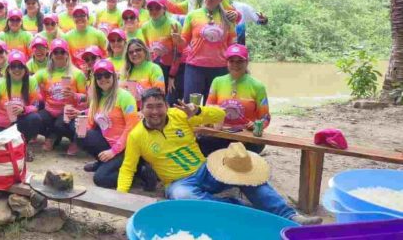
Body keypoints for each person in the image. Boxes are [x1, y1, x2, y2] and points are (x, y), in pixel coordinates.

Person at [117, 89, 321, 225]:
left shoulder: (179, 115)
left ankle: (290, 216)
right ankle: (247, 212)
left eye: (159, 106)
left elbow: (219, 115)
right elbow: (128, 168)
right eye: (149, 107)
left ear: (166, 106)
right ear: (141, 109)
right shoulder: (136, 136)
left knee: (244, 168)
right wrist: (120, 197)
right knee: (184, 198)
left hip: (206, 170)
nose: (155, 111)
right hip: (178, 182)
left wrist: (197, 110)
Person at [79, 59, 145, 189]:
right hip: (109, 142)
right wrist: (79, 124)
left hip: (127, 147)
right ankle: (103, 162)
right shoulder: (97, 98)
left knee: (100, 179)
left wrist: (113, 151)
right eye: (99, 76)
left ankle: (138, 173)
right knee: (81, 135)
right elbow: (91, 125)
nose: (103, 79)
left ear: (114, 76)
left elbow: (132, 128)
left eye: (106, 75)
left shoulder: (125, 97)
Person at [199, 44, 270, 155]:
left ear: (246, 62)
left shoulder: (258, 86)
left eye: (239, 61)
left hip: (246, 138)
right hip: (221, 134)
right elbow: (208, 110)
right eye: (232, 61)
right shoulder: (217, 81)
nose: (235, 65)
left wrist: (257, 125)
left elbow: (265, 117)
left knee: (244, 151)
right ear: (227, 63)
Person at [181, 0, 238, 104]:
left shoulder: (228, 18)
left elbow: (232, 45)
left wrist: (234, 67)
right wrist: (178, 41)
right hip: (195, 66)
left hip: (220, 68)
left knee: (214, 107)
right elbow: (184, 42)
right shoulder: (192, 15)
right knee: (191, 105)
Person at [0, 50, 43, 161]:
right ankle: (13, 146)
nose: (17, 69)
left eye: (20, 66)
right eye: (13, 66)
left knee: (35, 118)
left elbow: (36, 105)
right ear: (8, 69)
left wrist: (24, 109)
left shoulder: (31, 81)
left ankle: (23, 145)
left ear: (25, 68)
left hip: (18, 124)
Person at [34, 39, 87, 155]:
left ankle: (76, 140)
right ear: (51, 55)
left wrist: (75, 96)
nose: (59, 55)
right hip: (50, 110)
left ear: (67, 54)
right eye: (55, 52)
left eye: (61, 52)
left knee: (61, 123)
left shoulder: (77, 73)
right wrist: (39, 93)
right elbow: (29, 82)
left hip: (69, 110)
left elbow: (86, 99)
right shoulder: (44, 73)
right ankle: (52, 136)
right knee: (35, 119)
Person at [141, 0, 186, 104]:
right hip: (159, 67)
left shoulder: (174, 25)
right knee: (158, 99)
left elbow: (178, 52)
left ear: (164, 9)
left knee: (172, 102)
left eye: (157, 8)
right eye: (150, 8)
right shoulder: (145, 27)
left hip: (177, 67)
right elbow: (149, 51)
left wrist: (172, 75)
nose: (154, 11)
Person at [121, 39, 166, 106]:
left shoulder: (154, 68)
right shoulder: (125, 71)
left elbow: (160, 93)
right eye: (131, 52)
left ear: (144, 51)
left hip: (150, 110)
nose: (134, 53)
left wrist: (141, 96)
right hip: (131, 110)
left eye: (138, 50)